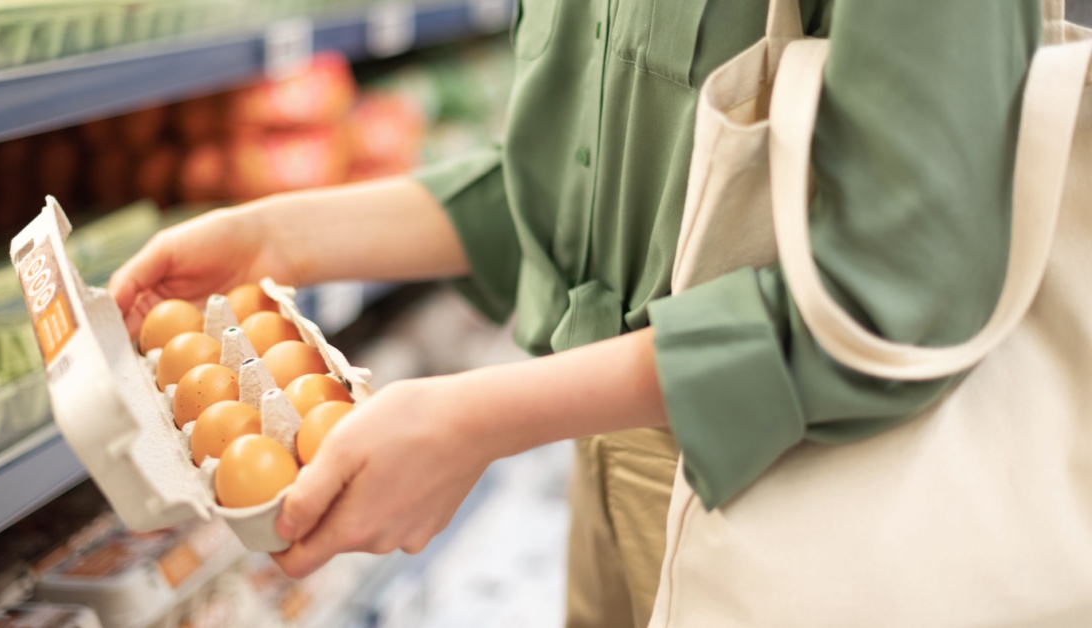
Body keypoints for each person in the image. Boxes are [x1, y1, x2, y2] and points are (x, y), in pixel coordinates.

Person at [109, 1, 1039, 625]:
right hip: (611, 465)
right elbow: (574, 200)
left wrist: (477, 420)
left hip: (814, 501)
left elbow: (896, 306)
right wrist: (281, 240)